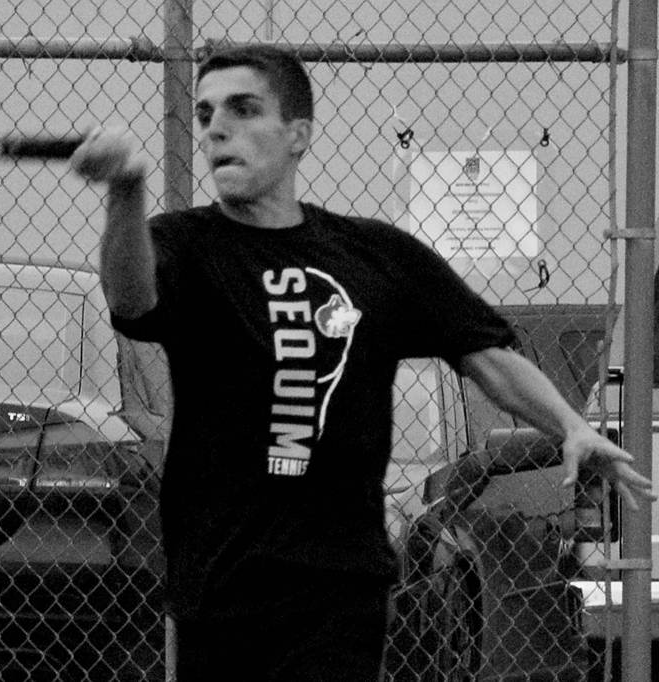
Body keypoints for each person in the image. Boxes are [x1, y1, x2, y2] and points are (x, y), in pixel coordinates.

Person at [69, 44, 655, 681]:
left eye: (243, 109)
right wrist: (125, 192)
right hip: (217, 587)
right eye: (207, 113)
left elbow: (486, 356)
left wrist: (569, 424)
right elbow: (130, 299)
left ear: (297, 134)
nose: (217, 128)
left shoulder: (375, 255)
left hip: (338, 586)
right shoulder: (185, 244)